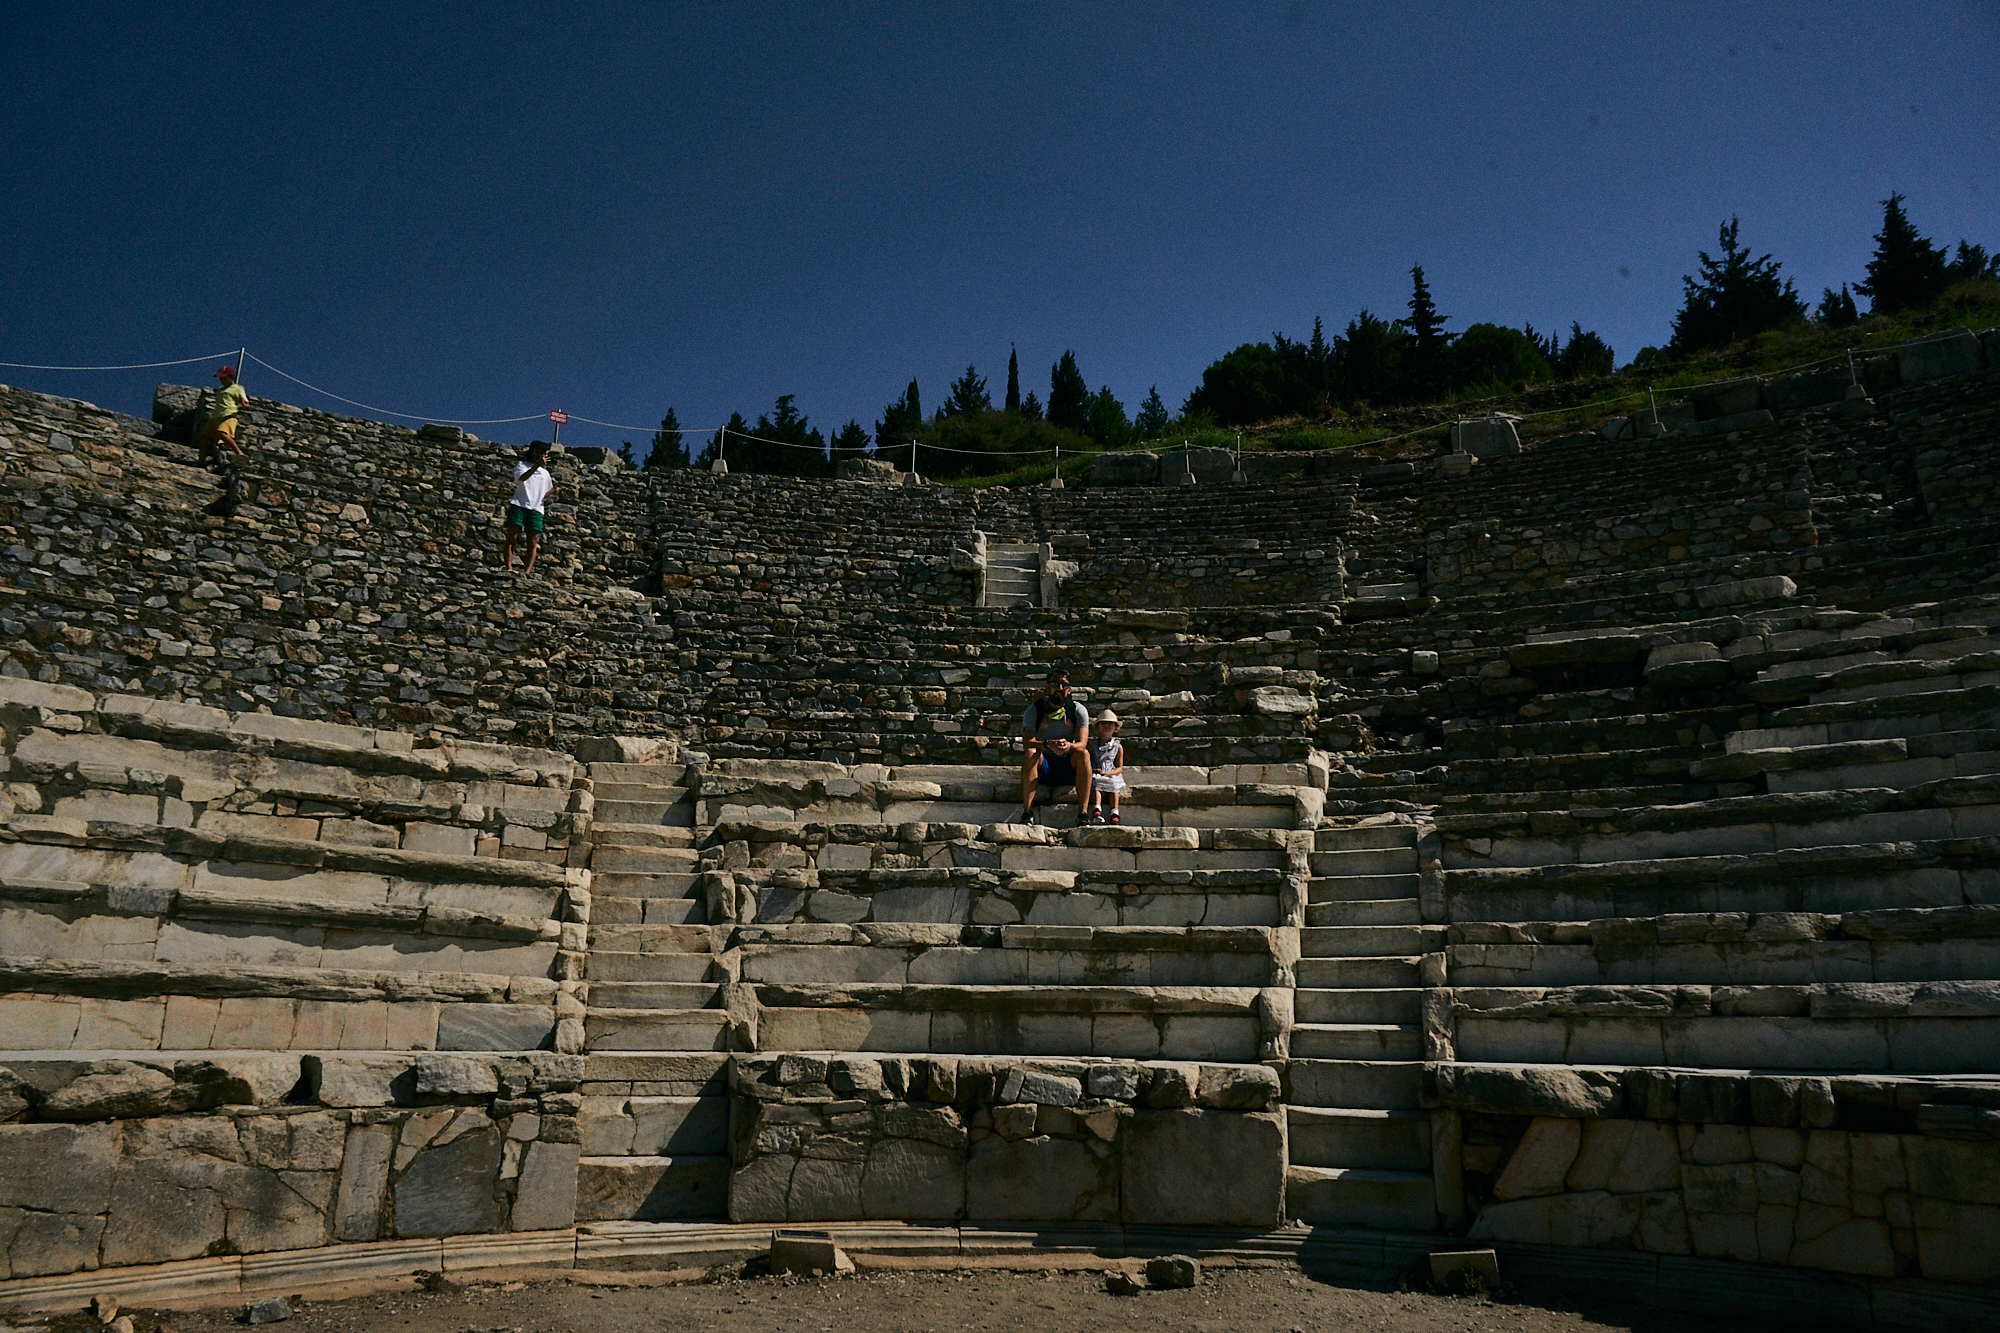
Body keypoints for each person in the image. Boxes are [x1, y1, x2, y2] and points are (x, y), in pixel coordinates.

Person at [1016, 666, 1091, 824]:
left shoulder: (1078, 710)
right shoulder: (1035, 710)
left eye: (1064, 685)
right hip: (1044, 763)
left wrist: (1068, 746)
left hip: (1068, 763)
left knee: (1084, 754)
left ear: (1069, 690)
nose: (1060, 688)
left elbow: (1082, 743)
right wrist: (1046, 744)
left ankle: (1083, 812)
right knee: (1031, 752)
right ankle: (1027, 812)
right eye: (1056, 684)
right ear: (1047, 687)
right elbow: (1027, 741)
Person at [503, 441, 559, 574]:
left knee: (533, 542)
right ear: (532, 452)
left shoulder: (545, 474)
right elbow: (521, 479)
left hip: (536, 508)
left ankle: (527, 571)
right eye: (538, 452)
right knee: (512, 537)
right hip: (519, 504)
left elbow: (542, 494)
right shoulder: (522, 465)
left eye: (543, 453)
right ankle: (509, 568)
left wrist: (552, 492)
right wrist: (536, 466)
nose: (540, 455)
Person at [1082, 709, 1126, 824]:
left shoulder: (1118, 747)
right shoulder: (1092, 745)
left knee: (1114, 786)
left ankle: (1115, 812)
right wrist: (1093, 769)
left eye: (1110, 724)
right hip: (1097, 772)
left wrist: (1110, 773)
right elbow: (1088, 760)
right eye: (1103, 723)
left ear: (1115, 728)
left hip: (1111, 773)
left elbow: (1119, 767)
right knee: (1096, 783)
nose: (1106, 726)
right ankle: (1097, 809)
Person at [198, 365, 248, 465]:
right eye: (220, 378)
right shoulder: (220, 390)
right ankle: (201, 461)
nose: (221, 380)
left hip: (229, 414)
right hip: (217, 416)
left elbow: (245, 402)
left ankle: (239, 452)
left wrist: (244, 405)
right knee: (204, 437)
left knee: (221, 432)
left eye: (224, 378)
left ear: (231, 377)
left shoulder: (237, 389)